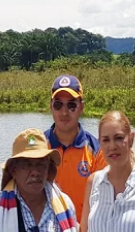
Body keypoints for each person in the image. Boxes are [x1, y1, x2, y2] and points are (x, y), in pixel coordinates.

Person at [44, 75, 106, 223]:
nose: (64, 112)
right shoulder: (39, 147)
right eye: (58, 105)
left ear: (81, 107)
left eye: (71, 105)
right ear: (51, 106)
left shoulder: (97, 151)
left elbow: (104, 201)